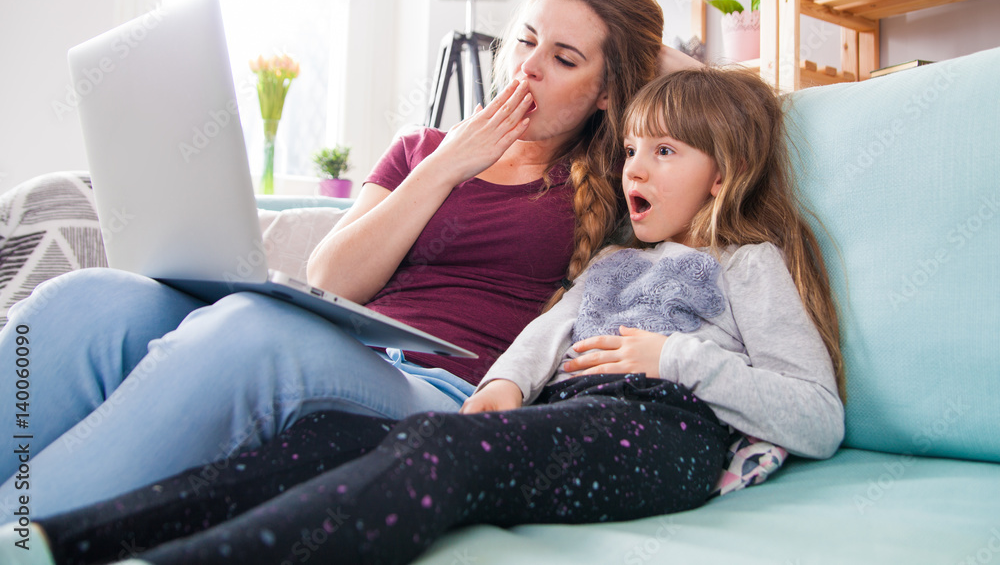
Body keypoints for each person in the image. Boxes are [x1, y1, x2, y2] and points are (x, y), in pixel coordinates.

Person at [1, 67, 845, 565]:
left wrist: (675, 360)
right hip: (566, 414)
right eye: (631, 147)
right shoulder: (616, 264)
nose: (636, 166)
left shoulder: (747, 264)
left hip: (662, 427)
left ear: (724, 174)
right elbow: (537, 343)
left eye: (666, 151)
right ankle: (50, 539)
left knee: (436, 448)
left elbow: (817, 417)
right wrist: (510, 384)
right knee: (324, 438)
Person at [0, 0, 675, 519]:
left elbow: (704, 101)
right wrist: (445, 165)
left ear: (609, 92)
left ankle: (16, 538)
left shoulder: (621, 182)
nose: (527, 69)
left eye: (562, 59)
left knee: (254, 332)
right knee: (86, 299)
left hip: (441, 390)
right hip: (350, 344)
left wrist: (649, 63)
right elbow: (335, 277)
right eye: (525, 40)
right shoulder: (421, 150)